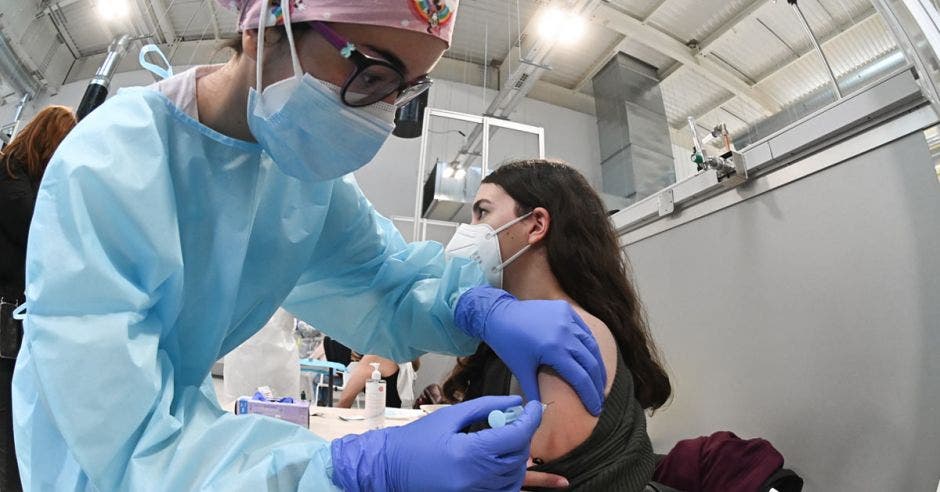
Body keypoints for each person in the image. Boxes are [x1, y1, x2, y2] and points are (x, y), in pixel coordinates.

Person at [11, 2, 605, 490]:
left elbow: (384, 283)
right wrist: (354, 471)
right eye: (371, 73)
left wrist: (471, 306)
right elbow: (128, 447)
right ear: (264, 25)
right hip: (91, 451)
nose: (380, 113)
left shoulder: (304, 182)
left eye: (403, 91)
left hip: (183, 442)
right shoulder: (110, 164)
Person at [442, 159, 673, 491]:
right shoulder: (508, 331)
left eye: (482, 212)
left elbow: (542, 480)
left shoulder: (570, 333)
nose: (468, 230)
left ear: (536, 225)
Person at [0, 105, 77, 492]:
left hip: (14, 317)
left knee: (18, 414)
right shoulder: (10, 176)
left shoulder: (21, 178)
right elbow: (39, 230)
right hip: (5, 319)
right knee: (9, 420)